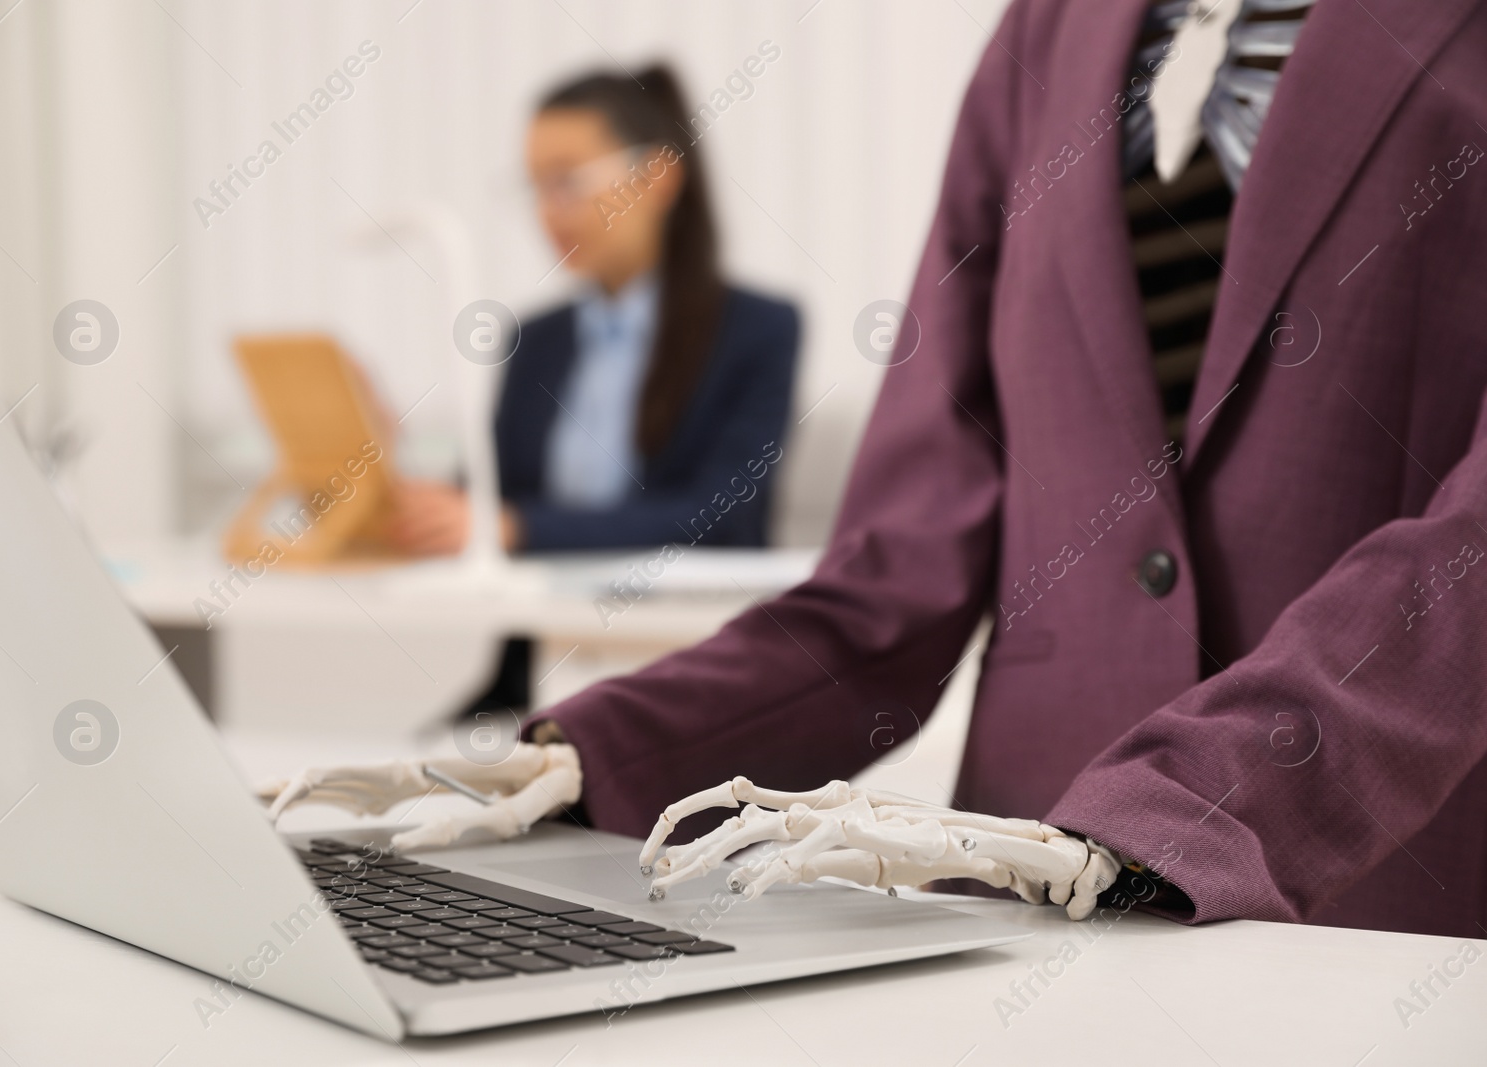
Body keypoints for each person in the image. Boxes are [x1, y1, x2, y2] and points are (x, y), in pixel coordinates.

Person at [272, 0, 1487, 939]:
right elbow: (899, 568)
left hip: (1376, 888)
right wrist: (599, 753)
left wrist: (1179, 807)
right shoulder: (1046, 36)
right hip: (1017, 876)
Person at [385, 65, 800, 557]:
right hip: (550, 624)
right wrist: (388, 455)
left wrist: (521, 529)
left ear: (657, 179)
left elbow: (717, 514)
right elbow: (486, 500)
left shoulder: (757, 330)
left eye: (566, 181)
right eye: (536, 186)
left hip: (690, 625)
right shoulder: (536, 340)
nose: (547, 211)